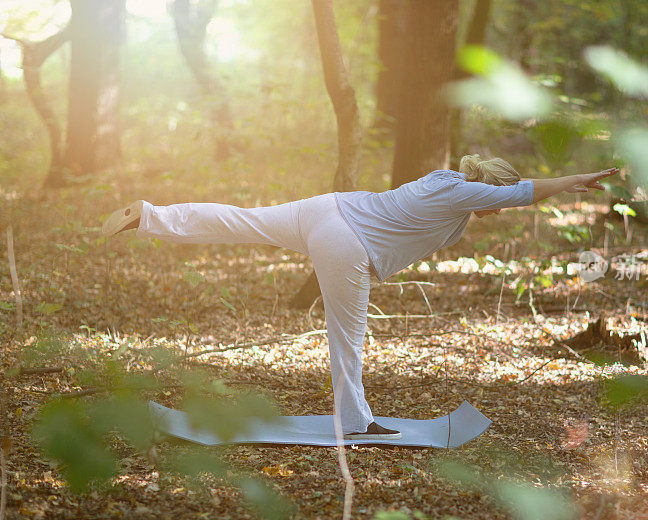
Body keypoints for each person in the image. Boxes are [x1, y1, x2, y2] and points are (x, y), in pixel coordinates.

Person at [102, 155, 618, 440]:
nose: (496, 210)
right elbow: (522, 192)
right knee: (347, 336)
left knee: (244, 220)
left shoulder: (444, 179)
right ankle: (353, 421)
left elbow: (493, 199)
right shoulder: (465, 191)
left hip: (325, 209)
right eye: (495, 202)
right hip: (347, 240)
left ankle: (150, 215)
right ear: (489, 190)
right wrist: (575, 180)